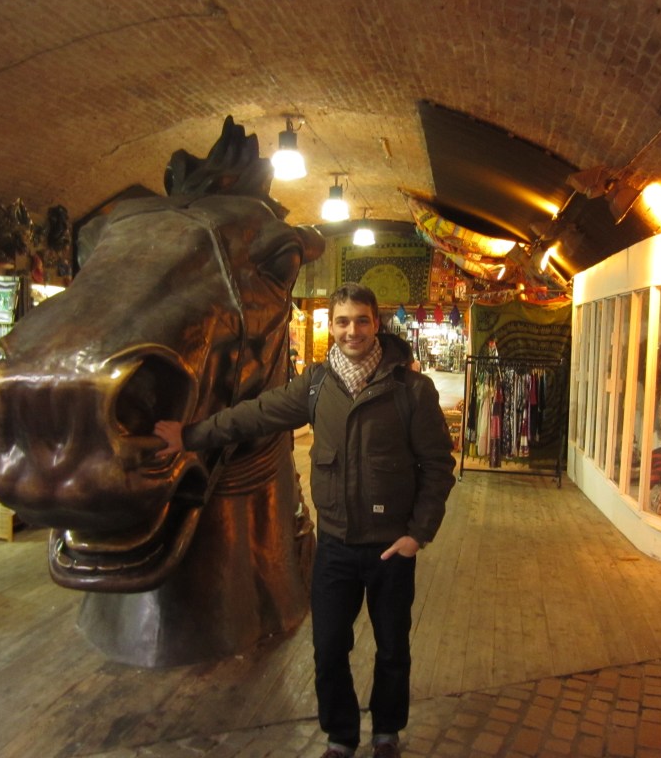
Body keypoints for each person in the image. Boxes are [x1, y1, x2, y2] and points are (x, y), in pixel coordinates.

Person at [154, 282, 456, 758]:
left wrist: (418, 534)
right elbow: (254, 415)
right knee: (329, 650)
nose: (351, 330)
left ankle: (386, 732)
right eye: (342, 321)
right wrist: (191, 435)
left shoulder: (411, 390)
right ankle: (340, 735)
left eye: (361, 320)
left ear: (375, 323)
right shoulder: (316, 385)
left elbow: (438, 467)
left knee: (393, 649)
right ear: (331, 327)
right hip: (335, 547)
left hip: (390, 548)